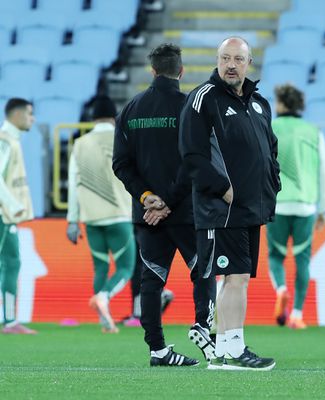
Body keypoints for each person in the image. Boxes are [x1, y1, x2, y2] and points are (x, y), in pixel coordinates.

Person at [113, 43, 217, 367]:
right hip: (187, 211)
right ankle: (204, 329)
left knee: (151, 280)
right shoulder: (190, 108)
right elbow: (194, 161)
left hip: (148, 215)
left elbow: (121, 164)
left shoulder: (130, 109)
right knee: (203, 272)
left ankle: (157, 350)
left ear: (153, 71)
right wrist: (169, 201)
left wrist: (147, 197)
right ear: (181, 71)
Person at [179, 36, 280, 370]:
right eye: (225, 58)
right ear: (217, 60)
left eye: (238, 59)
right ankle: (235, 349)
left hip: (252, 206)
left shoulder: (259, 103)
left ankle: (223, 349)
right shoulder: (203, 98)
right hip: (222, 209)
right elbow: (191, 154)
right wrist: (222, 188)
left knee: (237, 277)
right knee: (234, 277)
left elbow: (270, 149)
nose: (231, 65)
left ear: (249, 63)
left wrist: (273, 183)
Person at [66, 96, 135, 334]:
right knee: (126, 267)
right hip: (119, 215)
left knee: (101, 268)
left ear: (92, 118)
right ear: (115, 117)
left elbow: (74, 184)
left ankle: (103, 319)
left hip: (91, 217)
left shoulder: (80, 144)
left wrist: (72, 220)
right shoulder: (123, 138)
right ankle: (104, 297)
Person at [267, 84, 325, 330]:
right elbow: (323, 171)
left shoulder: (269, 127)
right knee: (303, 259)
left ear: (282, 103)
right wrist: (323, 209)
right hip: (305, 204)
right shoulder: (314, 131)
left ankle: (281, 289)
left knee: (276, 256)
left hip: (277, 203)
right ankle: (296, 314)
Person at [0, 98, 36, 335]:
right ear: (17, 114)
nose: (32, 118)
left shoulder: (11, 140)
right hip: (4, 215)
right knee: (12, 263)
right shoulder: (5, 141)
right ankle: (10, 321)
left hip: (6, 215)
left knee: (11, 263)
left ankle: (10, 320)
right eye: (30, 114)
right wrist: (13, 206)